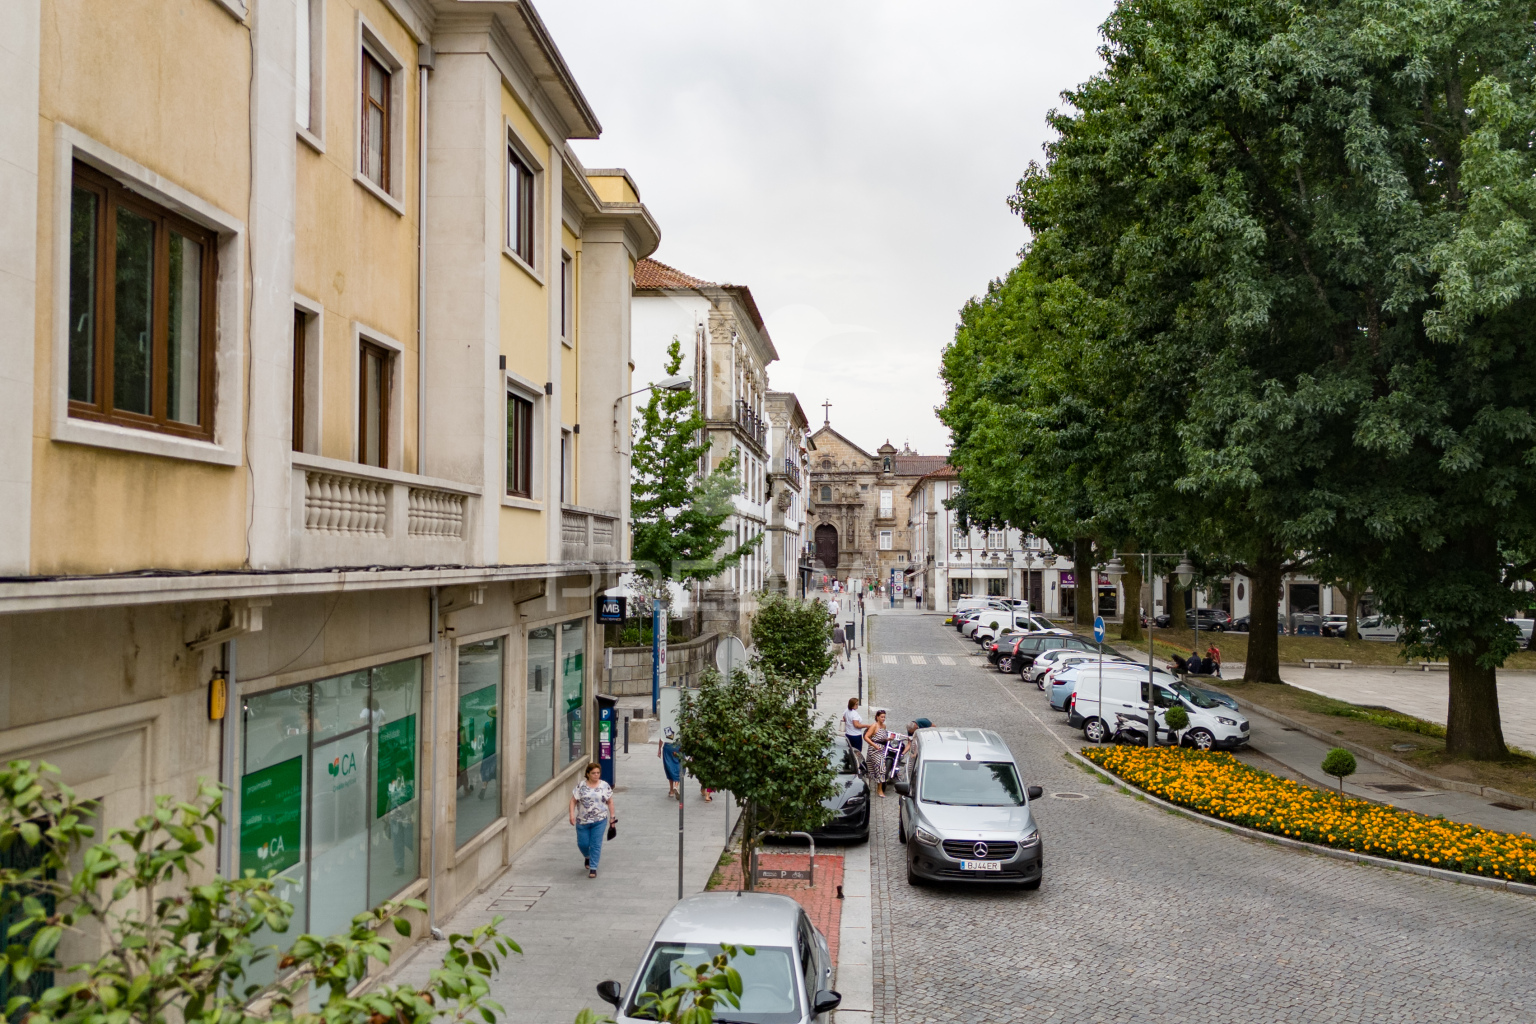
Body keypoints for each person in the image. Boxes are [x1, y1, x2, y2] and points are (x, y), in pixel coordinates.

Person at [569, 762, 615, 879]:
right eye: (593, 773)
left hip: (599, 820)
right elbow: (573, 801)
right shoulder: (581, 786)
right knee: (582, 844)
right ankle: (587, 856)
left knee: (596, 844)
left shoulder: (604, 785)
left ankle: (593, 868)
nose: (596, 775)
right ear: (588, 774)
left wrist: (612, 818)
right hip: (582, 821)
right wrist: (572, 815)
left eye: (598, 773)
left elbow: (610, 802)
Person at [862, 710, 893, 796]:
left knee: (880, 768)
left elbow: (882, 738)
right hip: (874, 750)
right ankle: (879, 789)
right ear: (877, 717)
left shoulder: (884, 726)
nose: (883, 719)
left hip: (882, 749)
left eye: (884, 717)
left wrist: (888, 739)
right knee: (880, 768)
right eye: (882, 717)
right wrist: (874, 745)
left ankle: (879, 788)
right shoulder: (874, 726)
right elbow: (866, 737)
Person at [659, 726, 682, 798]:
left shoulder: (667, 723)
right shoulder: (681, 722)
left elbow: (662, 737)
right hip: (679, 746)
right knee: (679, 765)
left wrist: (659, 749)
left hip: (668, 746)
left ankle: (671, 790)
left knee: (669, 767)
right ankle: (676, 785)